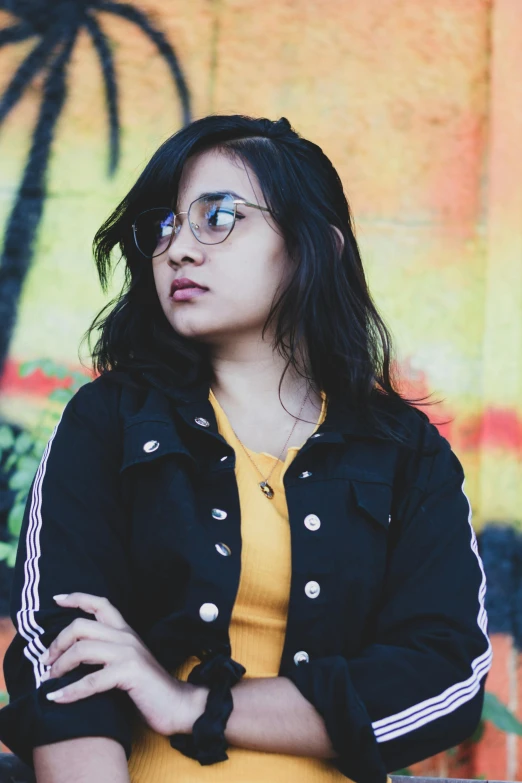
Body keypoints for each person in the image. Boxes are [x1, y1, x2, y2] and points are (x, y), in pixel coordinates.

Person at [0, 115, 491, 783]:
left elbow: (446, 676)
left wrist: (192, 703)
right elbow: (58, 645)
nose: (178, 249)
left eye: (219, 216)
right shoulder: (110, 418)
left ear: (316, 244)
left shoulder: (405, 454)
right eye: (164, 225)